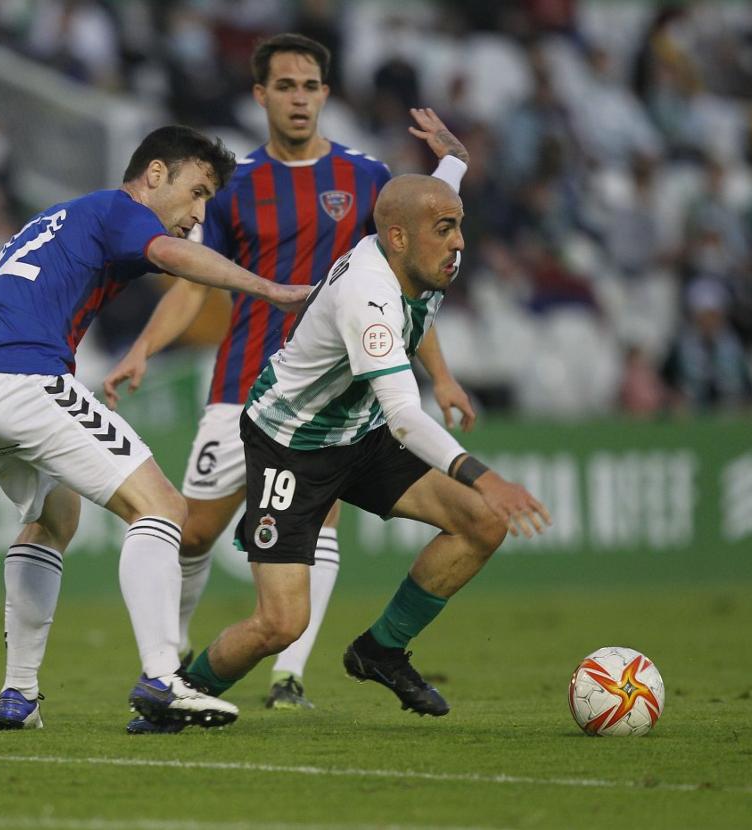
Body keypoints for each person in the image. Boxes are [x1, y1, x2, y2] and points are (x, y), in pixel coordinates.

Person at [101, 33, 474, 723]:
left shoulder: (365, 178)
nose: (299, 99)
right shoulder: (237, 182)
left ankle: (289, 674)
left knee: (320, 515)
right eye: (285, 87)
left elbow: (409, 284)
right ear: (261, 95)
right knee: (192, 534)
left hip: (332, 394)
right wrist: (144, 348)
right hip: (244, 383)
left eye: (310, 86)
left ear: (326, 95)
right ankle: (171, 663)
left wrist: (442, 377)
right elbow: (192, 278)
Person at [0, 125, 312, 733]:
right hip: (23, 378)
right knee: (163, 508)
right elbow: (174, 261)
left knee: (54, 518)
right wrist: (267, 289)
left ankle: (20, 694)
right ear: (155, 175)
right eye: (196, 193)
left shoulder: (62, 218)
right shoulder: (120, 209)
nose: (198, 215)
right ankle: (163, 675)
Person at [182, 174, 552, 718]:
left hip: (356, 429)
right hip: (292, 443)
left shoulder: (412, 251)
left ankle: (380, 649)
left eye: (460, 227)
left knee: (480, 523)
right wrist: (487, 477)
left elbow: (434, 198)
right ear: (398, 238)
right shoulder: (367, 297)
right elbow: (404, 416)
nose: (459, 243)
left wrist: (453, 157)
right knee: (281, 625)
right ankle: (179, 693)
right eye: (446, 229)